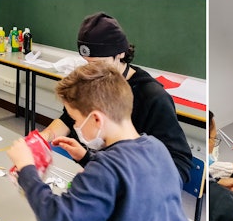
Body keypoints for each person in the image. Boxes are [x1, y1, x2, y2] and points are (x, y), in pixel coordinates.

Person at [7, 62, 192, 221]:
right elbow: (126, 178)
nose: (75, 127)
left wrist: (26, 169)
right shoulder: (156, 147)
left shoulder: (104, 167)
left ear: (96, 118)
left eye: (75, 120)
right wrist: (87, 157)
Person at [38, 13, 192, 184]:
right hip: (102, 171)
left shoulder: (153, 97)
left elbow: (180, 166)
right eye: (87, 63)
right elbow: (68, 118)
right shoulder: (92, 80)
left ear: (120, 53)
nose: (94, 70)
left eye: (99, 63)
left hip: (132, 183)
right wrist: (43, 138)